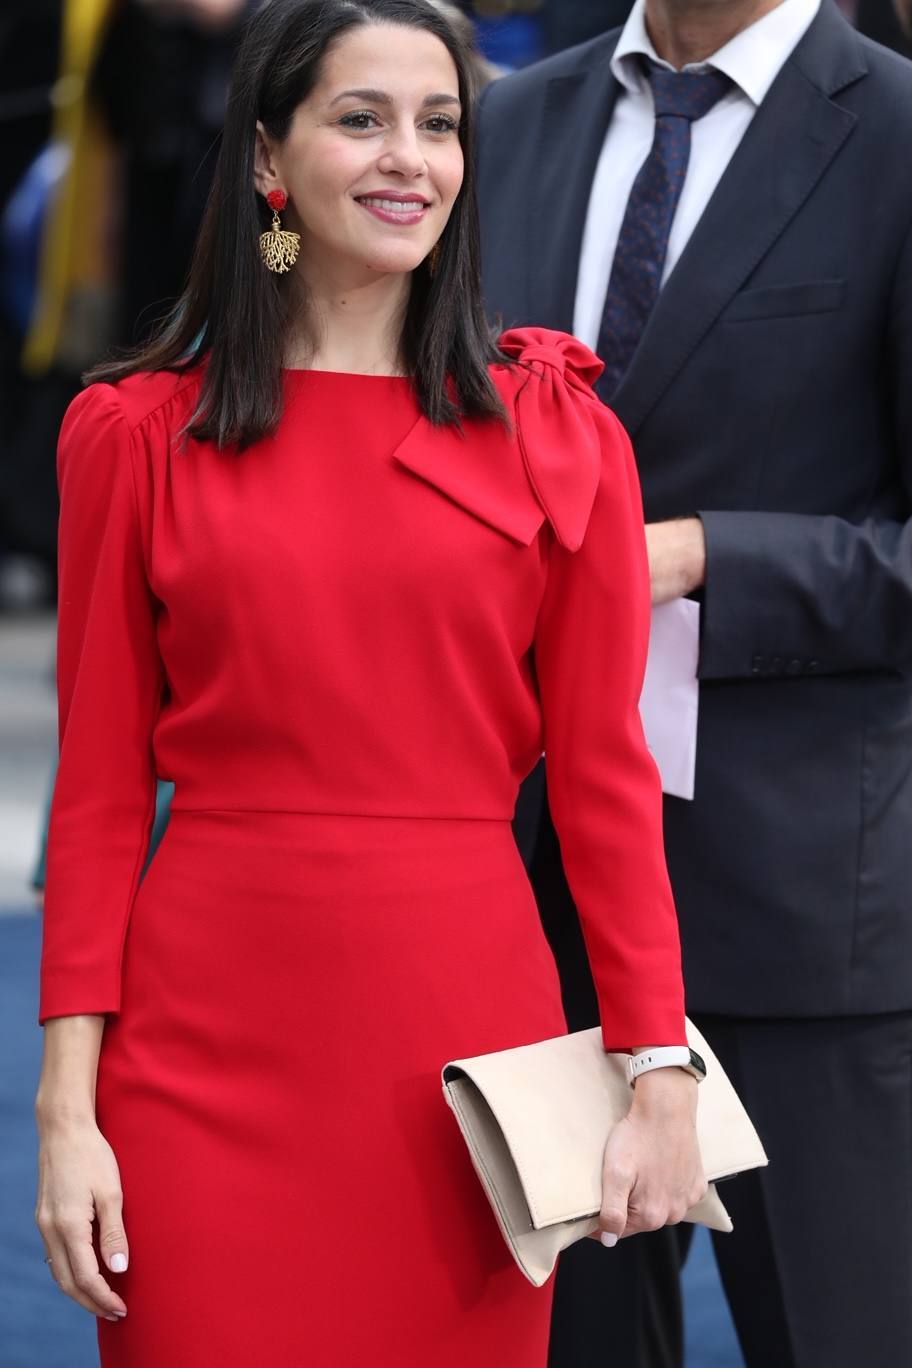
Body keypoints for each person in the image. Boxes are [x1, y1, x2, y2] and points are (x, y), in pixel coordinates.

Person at [32, 2, 706, 1364]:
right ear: (271, 157)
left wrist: (659, 1069)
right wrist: (67, 1112)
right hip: (197, 1059)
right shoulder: (136, 434)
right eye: (362, 118)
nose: (412, 158)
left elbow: (603, 785)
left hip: (462, 1066)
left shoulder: (555, 431)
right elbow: (100, 794)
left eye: (441, 123)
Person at [476, 0, 912, 1365]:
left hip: (797, 898)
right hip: (526, 887)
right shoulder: (500, 124)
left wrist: (700, 556)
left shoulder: (896, 133)